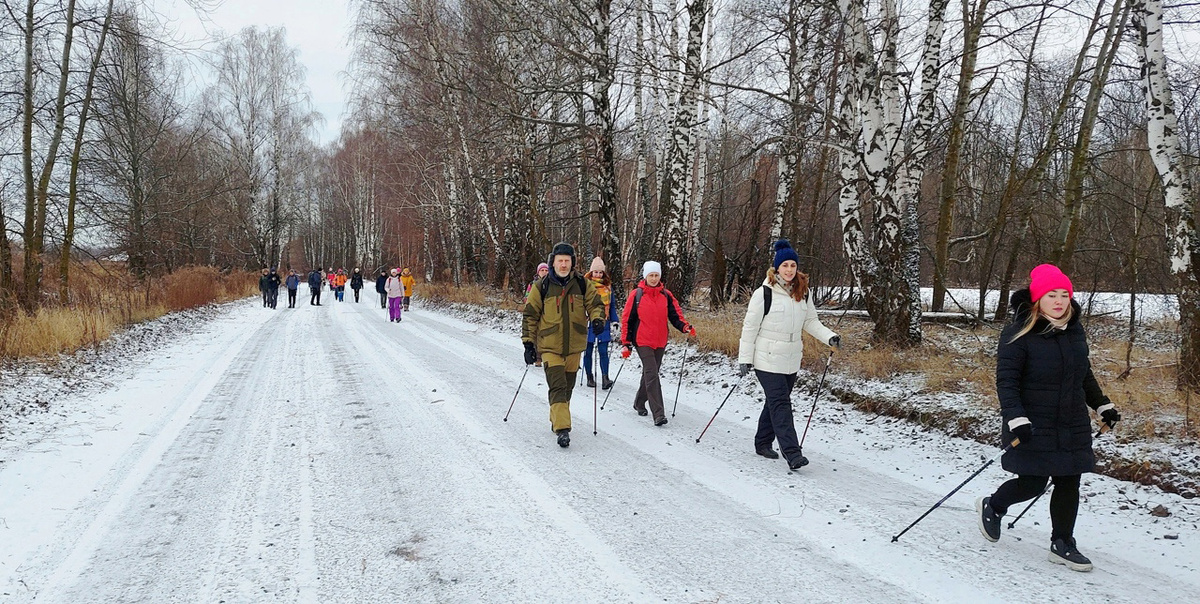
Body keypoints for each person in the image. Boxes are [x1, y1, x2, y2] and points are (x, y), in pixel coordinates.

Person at [976, 264, 1121, 573]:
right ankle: (994, 505)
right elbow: (1007, 382)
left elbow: (1084, 375)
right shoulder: (1018, 333)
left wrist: (1102, 405)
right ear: (1037, 299)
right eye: (1051, 294)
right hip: (1032, 421)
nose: (1059, 301)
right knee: (1032, 483)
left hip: (1071, 421)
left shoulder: (1074, 331)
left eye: (1064, 294)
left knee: (1070, 480)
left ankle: (1062, 542)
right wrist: (1016, 418)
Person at [737, 239, 840, 470]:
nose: (790, 270)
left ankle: (762, 442)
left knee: (775, 402)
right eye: (785, 266)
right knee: (781, 403)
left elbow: (811, 321)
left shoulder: (803, 292)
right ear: (776, 268)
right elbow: (750, 327)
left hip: (792, 358)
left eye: (793, 265)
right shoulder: (764, 293)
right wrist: (745, 358)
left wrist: (829, 336)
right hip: (767, 357)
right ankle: (792, 453)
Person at [522, 242, 605, 447]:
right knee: (557, 386)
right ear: (553, 262)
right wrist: (528, 344)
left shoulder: (582, 284)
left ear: (572, 262)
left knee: (567, 388)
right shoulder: (542, 286)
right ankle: (563, 429)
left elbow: (595, 304)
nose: (563, 265)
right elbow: (530, 315)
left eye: (567, 261)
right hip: (549, 346)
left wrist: (597, 319)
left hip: (575, 345)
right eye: (560, 261)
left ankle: (557, 418)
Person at [619, 260, 695, 427]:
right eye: (651, 275)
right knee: (652, 374)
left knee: (650, 373)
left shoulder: (666, 295)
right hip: (642, 340)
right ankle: (658, 414)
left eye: (656, 275)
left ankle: (639, 402)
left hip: (660, 341)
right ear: (645, 276)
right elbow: (627, 320)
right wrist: (625, 342)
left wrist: (685, 327)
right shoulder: (636, 295)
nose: (653, 278)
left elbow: (676, 316)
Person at [583, 257, 619, 389]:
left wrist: (615, 321)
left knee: (603, 351)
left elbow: (612, 305)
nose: (598, 275)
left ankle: (605, 377)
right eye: (595, 272)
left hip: (604, 321)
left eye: (600, 272)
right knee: (588, 350)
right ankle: (589, 376)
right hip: (589, 322)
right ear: (591, 272)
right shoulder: (585, 285)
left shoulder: (608, 287)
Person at [525, 263, 551, 367]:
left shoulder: (551, 284)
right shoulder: (533, 284)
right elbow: (527, 297)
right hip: (536, 312)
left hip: (548, 313)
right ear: (538, 272)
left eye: (546, 270)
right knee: (536, 335)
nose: (544, 272)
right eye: (542, 270)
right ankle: (537, 357)